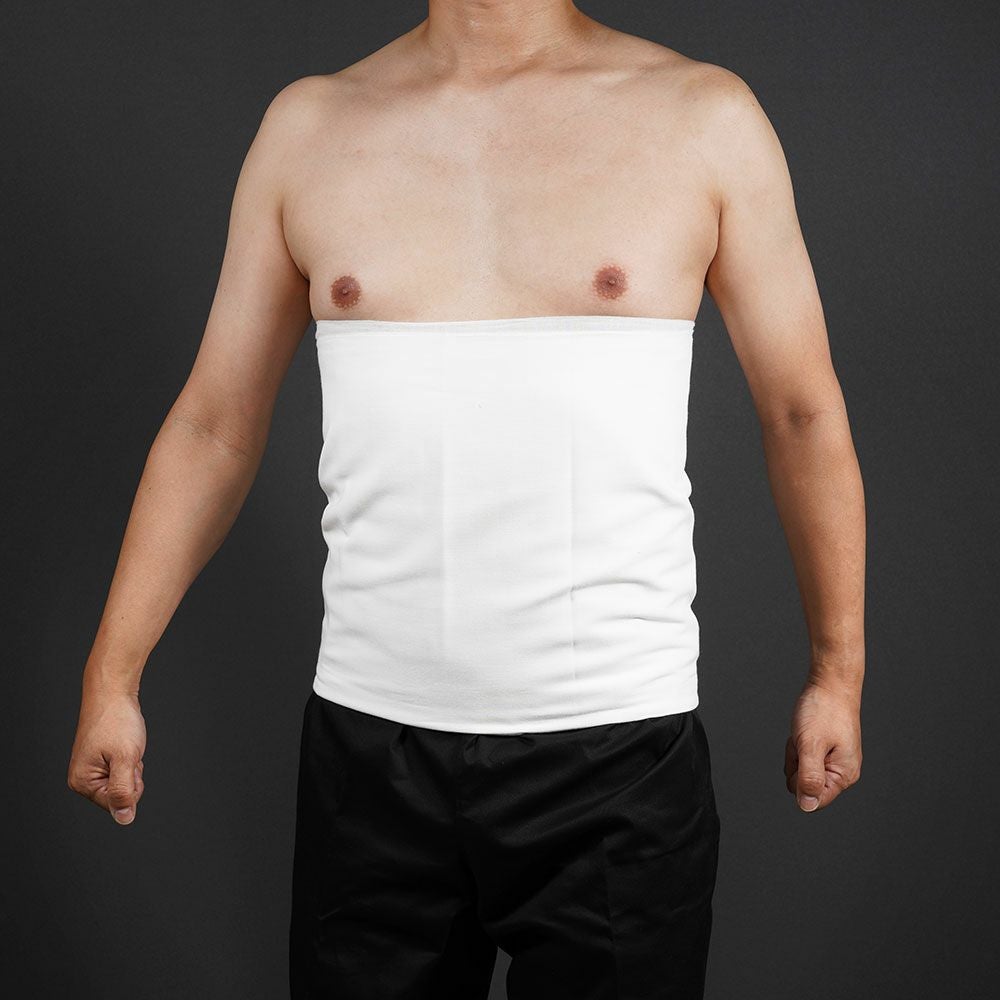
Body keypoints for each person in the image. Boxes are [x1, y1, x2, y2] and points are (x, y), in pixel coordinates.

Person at [67, 2, 866, 997]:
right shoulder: (311, 127)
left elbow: (801, 413)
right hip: (371, 756)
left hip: (617, 753)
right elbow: (213, 427)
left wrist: (836, 670)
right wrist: (112, 675)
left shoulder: (703, 117)